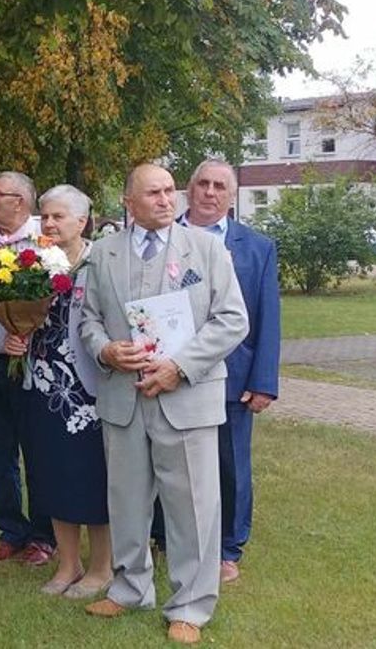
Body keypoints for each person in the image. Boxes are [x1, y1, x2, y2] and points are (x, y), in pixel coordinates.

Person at [79, 163, 248, 646]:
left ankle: (191, 605)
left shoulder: (207, 248)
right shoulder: (103, 253)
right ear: (128, 202)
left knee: (192, 505)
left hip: (186, 396)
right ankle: (131, 588)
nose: (165, 199)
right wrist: (106, 350)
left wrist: (180, 365)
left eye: (169, 191)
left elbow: (232, 320)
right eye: (152, 193)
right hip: (123, 398)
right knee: (127, 500)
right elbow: (88, 321)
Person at [3, 185, 111, 597]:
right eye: (44, 216)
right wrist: (13, 337)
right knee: (50, 476)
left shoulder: (100, 262)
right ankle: (68, 564)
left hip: (89, 392)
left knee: (93, 479)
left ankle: (103, 567)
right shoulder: (32, 264)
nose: (48, 223)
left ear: (82, 221)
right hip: (43, 386)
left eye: (58, 216)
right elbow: (19, 319)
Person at [182, 160, 280, 582]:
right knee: (168, 460)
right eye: (202, 183)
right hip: (168, 367)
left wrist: (263, 382)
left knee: (230, 465)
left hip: (233, 377)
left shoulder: (257, 247)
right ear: (189, 189)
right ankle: (165, 535)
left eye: (220, 186)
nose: (210, 192)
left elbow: (267, 317)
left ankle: (227, 548)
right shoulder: (163, 237)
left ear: (232, 195)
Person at [0, 171, 55, 564]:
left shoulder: (44, 242)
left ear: (19, 201)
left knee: (37, 450)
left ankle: (43, 534)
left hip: (30, 363)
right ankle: (10, 529)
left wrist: (26, 334)